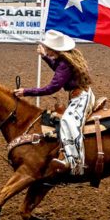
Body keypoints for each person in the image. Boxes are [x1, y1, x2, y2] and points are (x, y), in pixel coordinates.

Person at [13, 30, 94, 176]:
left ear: (54, 49)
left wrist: (26, 92)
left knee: (68, 121)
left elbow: (52, 88)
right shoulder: (66, 60)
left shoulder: (64, 64)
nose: (48, 51)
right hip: (83, 94)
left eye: (48, 49)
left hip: (81, 97)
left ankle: (74, 160)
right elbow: (59, 71)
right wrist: (45, 57)